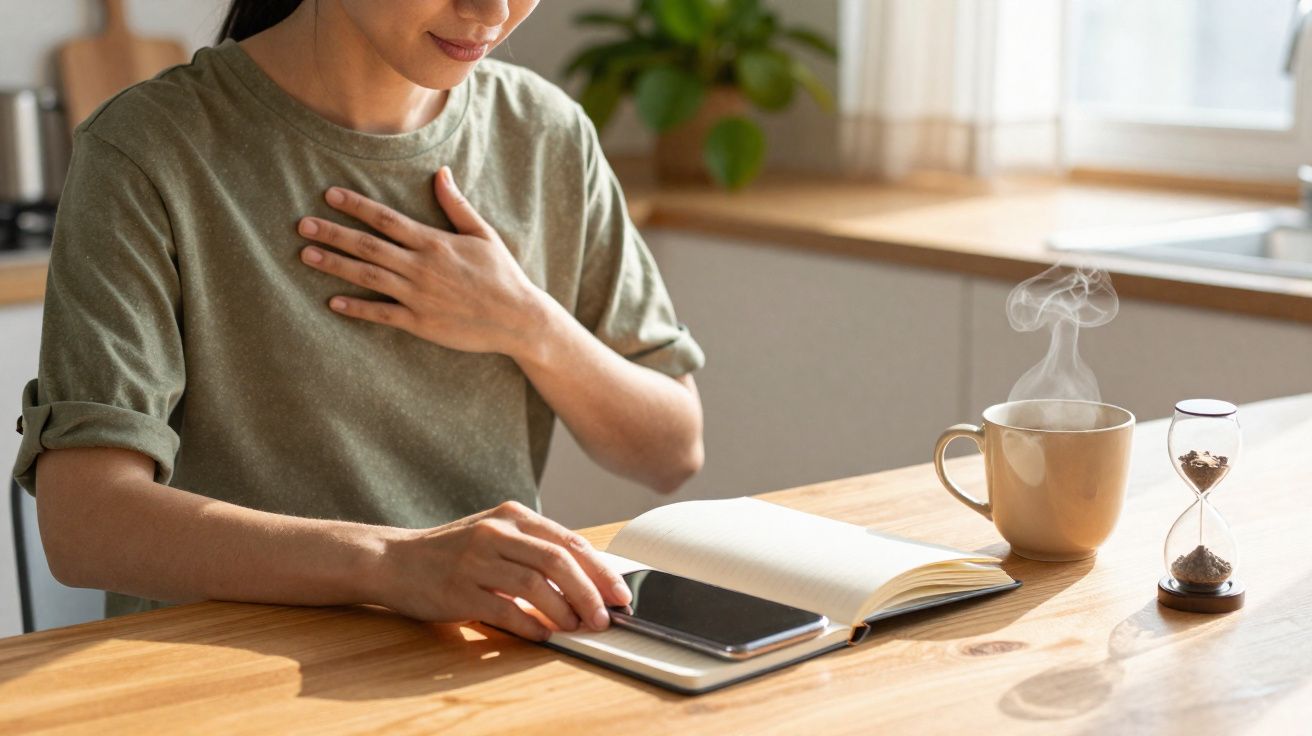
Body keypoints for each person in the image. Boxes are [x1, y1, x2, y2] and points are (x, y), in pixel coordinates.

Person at [12, 0, 706, 642]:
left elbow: (671, 450)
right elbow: (85, 523)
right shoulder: (149, 150)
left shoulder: (545, 134)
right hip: (219, 674)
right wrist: (393, 562)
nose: (492, 11)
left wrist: (525, 321)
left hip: (471, 669)